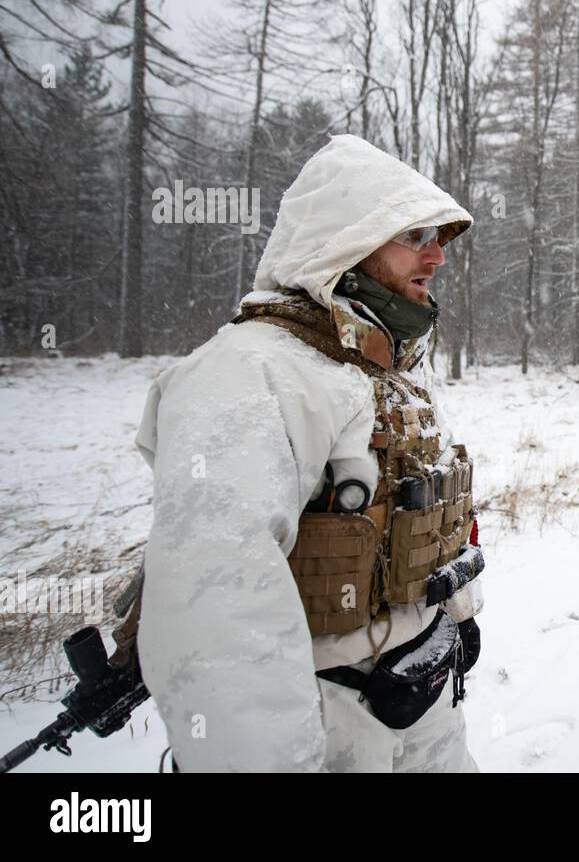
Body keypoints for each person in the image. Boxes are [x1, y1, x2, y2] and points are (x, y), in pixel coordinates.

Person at [130, 134, 483, 771]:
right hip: (328, 719)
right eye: (414, 236)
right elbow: (219, 615)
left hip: (422, 688)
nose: (437, 257)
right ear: (346, 243)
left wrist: (454, 615)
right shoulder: (250, 375)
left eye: (440, 238)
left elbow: (426, 517)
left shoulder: (383, 367)